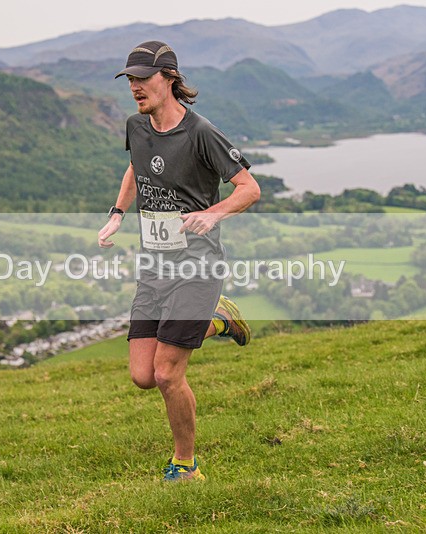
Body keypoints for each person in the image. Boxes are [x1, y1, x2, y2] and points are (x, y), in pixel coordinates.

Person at [97, 41, 261, 481]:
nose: (134, 87)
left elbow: (249, 188)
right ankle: (219, 319)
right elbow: (136, 168)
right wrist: (117, 214)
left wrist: (212, 214)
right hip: (155, 265)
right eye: (129, 79)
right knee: (142, 375)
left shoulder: (201, 132)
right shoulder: (136, 125)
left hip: (196, 266)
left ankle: (185, 464)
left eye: (142, 78)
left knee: (168, 374)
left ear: (169, 78)